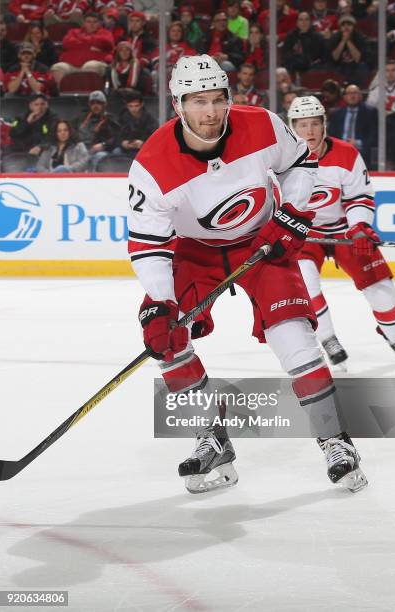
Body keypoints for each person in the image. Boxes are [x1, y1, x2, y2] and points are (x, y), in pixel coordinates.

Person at [128, 54, 368, 495]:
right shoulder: (151, 166)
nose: (210, 111)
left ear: (229, 98)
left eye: (218, 99)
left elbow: (299, 165)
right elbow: (148, 247)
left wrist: (292, 212)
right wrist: (161, 304)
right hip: (195, 252)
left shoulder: (262, 124)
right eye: (197, 101)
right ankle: (213, 440)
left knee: (293, 337)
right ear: (177, 104)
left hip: (263, 239)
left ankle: (337, 442)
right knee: (168, 341)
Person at [288, 95, 395, 369]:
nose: (309, 131)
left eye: (315, 124)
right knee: (305, 283)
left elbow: (359, 197)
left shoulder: (346, 153)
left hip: (344, 230)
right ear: (292, 127)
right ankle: (327, 337)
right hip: (304, 234)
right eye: (302, 125)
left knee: (381, 286)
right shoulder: (281, 161)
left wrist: (360, 226)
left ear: (324, 125)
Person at [51, 12, 114, 85]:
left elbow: (107, 43)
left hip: (96, 63)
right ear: (84, 23)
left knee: (90, 66)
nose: (91, 24)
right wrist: (90, 44)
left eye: (94, 22)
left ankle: (88, 93)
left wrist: (79, 41)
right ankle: (64, 93)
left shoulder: (105, 33)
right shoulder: (74, 32)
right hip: (72, 64)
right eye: (88, 21)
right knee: (58, 67)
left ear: (99, 23)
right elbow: (66, 43)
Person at [328, 83, 378, 168]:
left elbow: (374, 136)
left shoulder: (370, 112)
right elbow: (331, 136)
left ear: (360, 96)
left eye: (355, 93)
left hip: (360, 149)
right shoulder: (336, 114)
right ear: (344, 97)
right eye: (349, 93)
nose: (352, 96)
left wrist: (357, 143)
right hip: (340, 148)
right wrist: (342, 144)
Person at [76, 90, 120, 171]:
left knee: (98, 156)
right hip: (81, 149)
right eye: (93, 103)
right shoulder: (81, 118)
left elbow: (117, 138)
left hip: (100, 151)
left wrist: (103, 145)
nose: (95, 106)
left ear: (104, 104)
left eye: (98, 103)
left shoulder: (111, 119)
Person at [8, 92, 57, 157]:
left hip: (43, 151)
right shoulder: (20, 118)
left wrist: (41, 147)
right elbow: (13, 134)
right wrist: (26, 122)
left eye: (43, 104)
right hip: (22, 151)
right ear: (31, 106)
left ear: (47, 105)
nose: (40, 107)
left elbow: (53, 136)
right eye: (36, 104)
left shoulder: (53, 118)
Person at [114, 91, 158, 156]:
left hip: (144, 150)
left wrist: (143, 143)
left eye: (136, 106)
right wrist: (122, 143)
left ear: (141, 104)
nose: (133, 109)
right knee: (116, 152)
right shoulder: (121, 118)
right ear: (126, 106)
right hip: (125, 150)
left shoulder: (150, 120)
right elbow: (115, 135)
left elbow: (155, 138)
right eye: (130, 106)